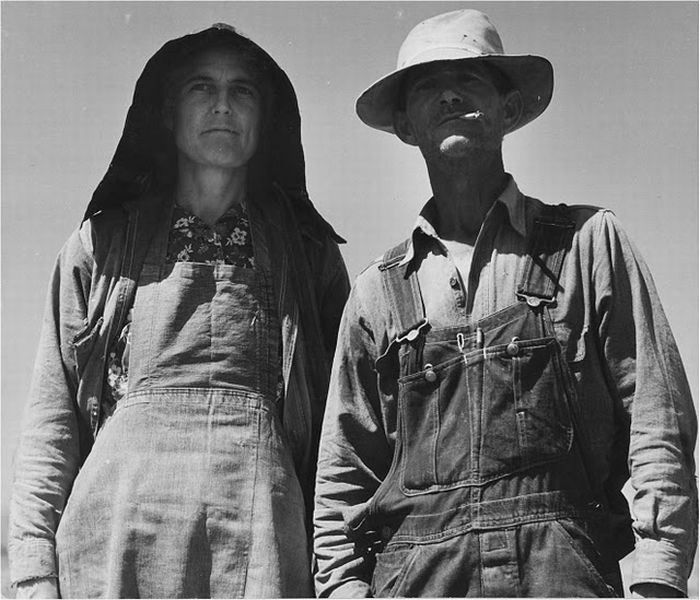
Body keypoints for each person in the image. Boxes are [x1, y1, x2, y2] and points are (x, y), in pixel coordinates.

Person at [313, 9, 697, 598]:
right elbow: (343, 478)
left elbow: (656, 418)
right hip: (416, 582)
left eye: (469, 79)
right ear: (405, 125)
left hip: (564, 574)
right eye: (426, 86)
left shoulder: (587, 244)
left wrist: (658, 574)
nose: (448, 96)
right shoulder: (375, 294)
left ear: (508, 109)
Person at [9, 23, 349, 598]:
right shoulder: (100, 247)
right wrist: (35, 572)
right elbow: (51, 426)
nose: (223, 106)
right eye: (201, 87)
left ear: (267, 120)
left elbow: (342, 438)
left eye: (243, 91)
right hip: (115, 549)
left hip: (260, 553)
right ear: (166, 112)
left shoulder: (309, 259)